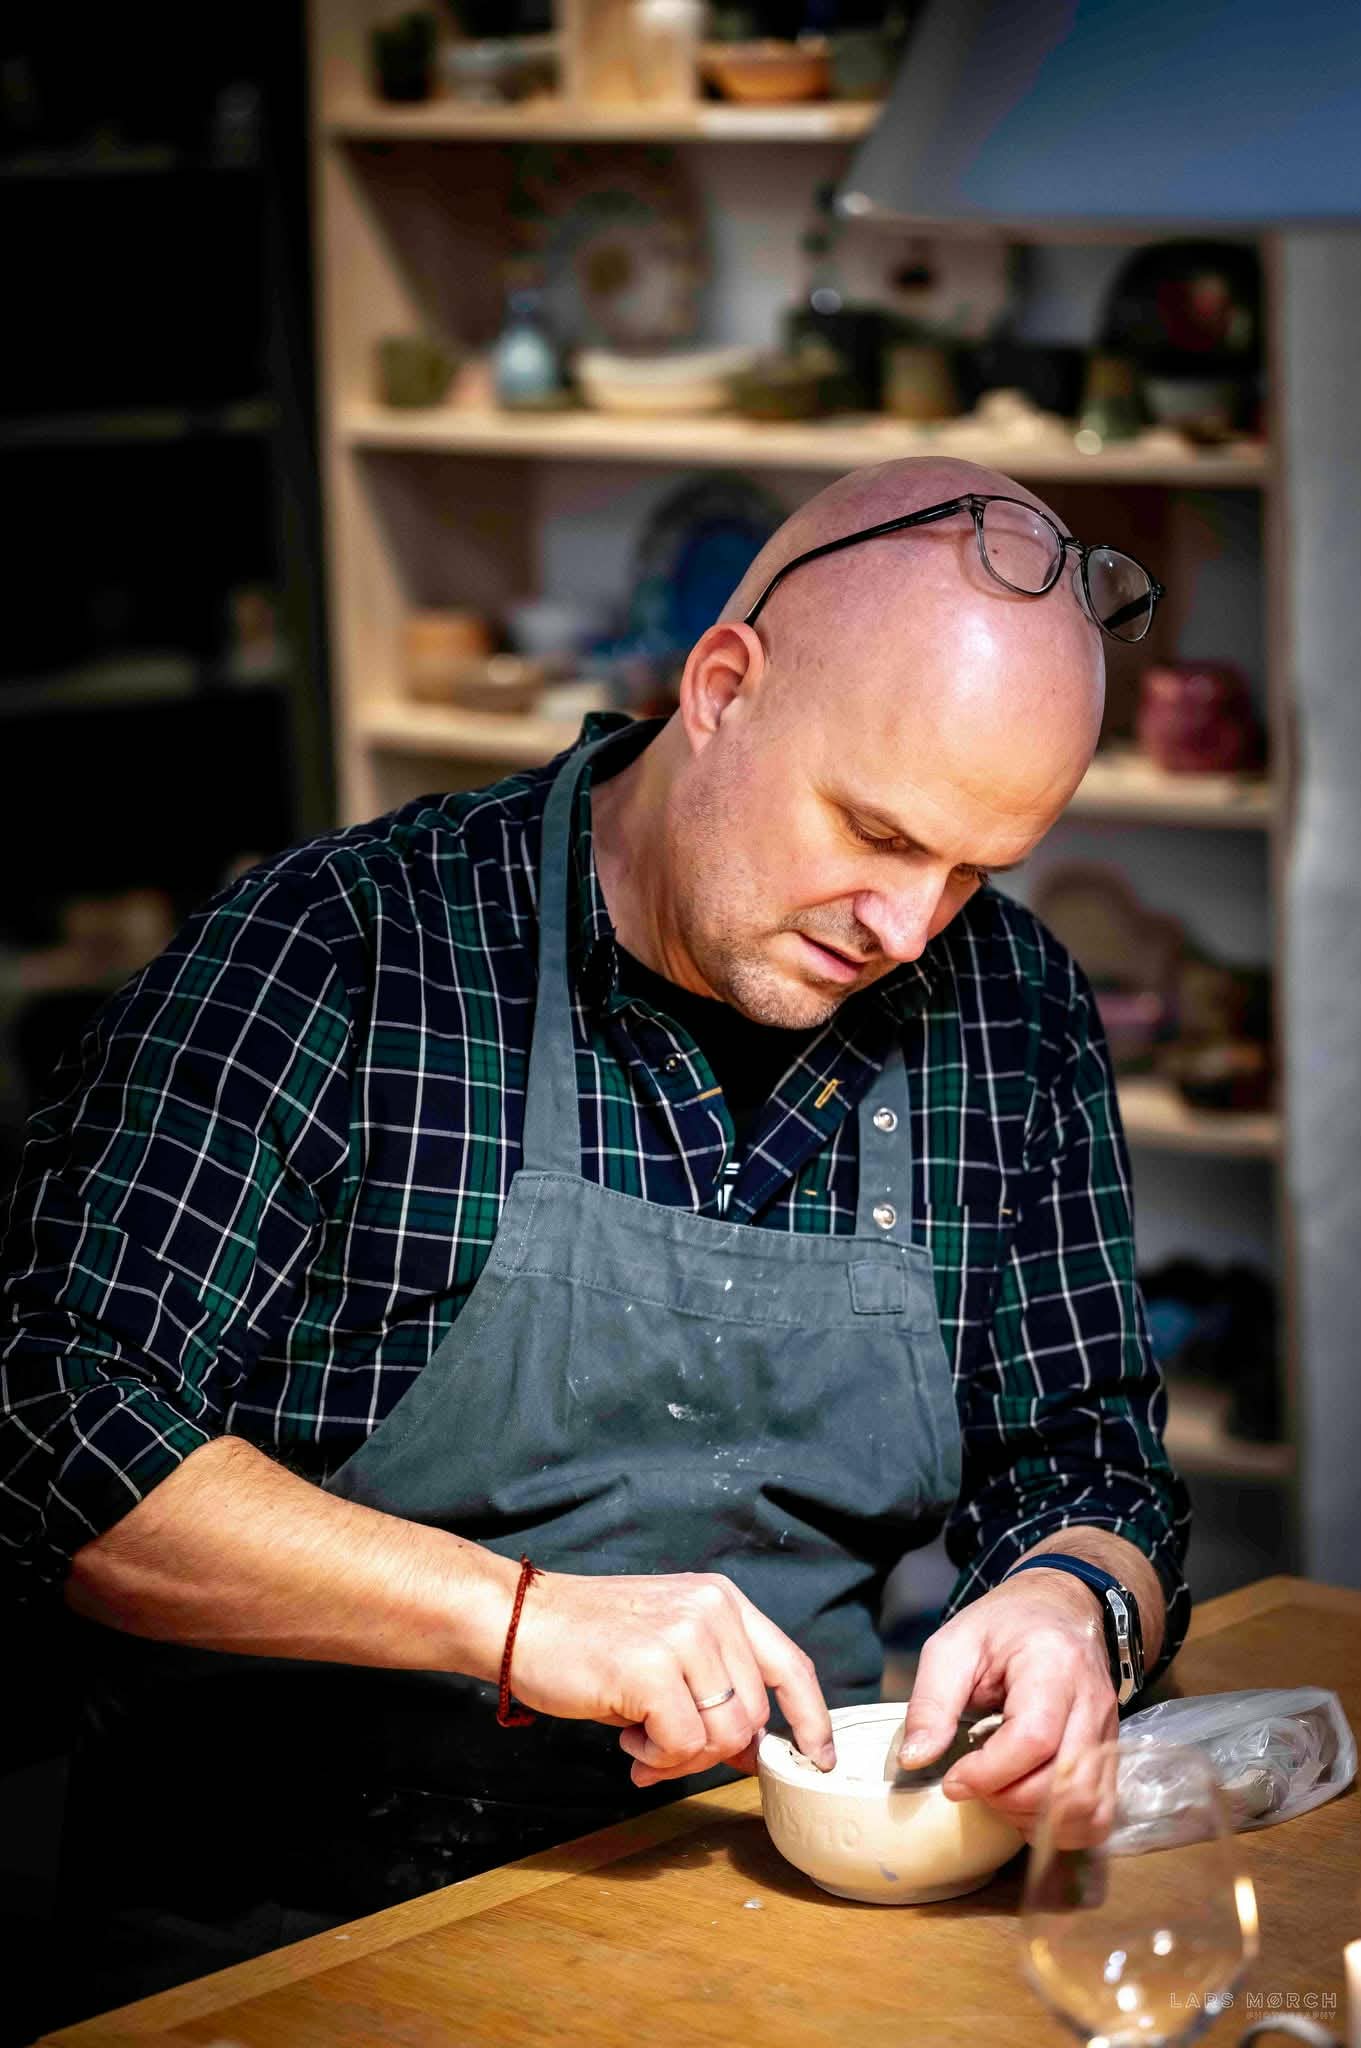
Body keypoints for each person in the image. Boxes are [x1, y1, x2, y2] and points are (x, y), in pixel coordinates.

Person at [0, 455, 1188, 2010]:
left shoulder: (1009, 1006)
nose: (906, 930)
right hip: (285, 1927)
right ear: (721, 687)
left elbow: (1089, 1459)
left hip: (761, 1901)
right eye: (876, 833)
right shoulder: (341, 952)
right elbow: (47, 1424)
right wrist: (514, 1621)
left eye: (973, 870)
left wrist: (1070, 1601)